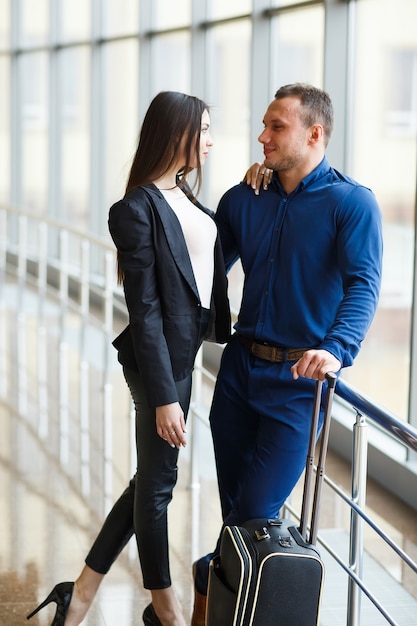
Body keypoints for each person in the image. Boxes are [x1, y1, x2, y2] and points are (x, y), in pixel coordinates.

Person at [26, 91, 266, 626]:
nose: (210, 138)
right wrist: (163, 399)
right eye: (203, 128)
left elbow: (206, 261)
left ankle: (80, 592)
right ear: (175, 132)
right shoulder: (134, 210)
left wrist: (255, 179)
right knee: (159, 485)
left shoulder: (184, 196)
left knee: (149, 482)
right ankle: (165, 609)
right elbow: (147, 311)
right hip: (157, 362)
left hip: (184, 354)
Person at [191, 82, 383, 626]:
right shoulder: (243, 198)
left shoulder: (352, 203)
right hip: (237, 375)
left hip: (298, 384)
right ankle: (213, 601)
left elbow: (364, 285)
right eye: (265, 125)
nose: (262, 136)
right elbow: (201, 268)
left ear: (314, 133)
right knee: (238, 517)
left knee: (253, 514)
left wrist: (337, 349)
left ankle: (208, 583)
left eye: (277, 127)